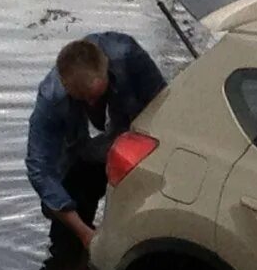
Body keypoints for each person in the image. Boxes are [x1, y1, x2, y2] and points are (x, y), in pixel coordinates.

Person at [25, 33, 166, 252]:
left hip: (136, 144)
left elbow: (163, 106)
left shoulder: (129, 56)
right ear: (65, 85)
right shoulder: (51, 99)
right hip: (83, 154)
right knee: (66, 235)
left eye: (96, 95)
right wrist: (83, 232)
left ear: (106, 70)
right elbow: (39, 169)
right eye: (82, 98)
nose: (92, 103)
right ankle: (67, 269)